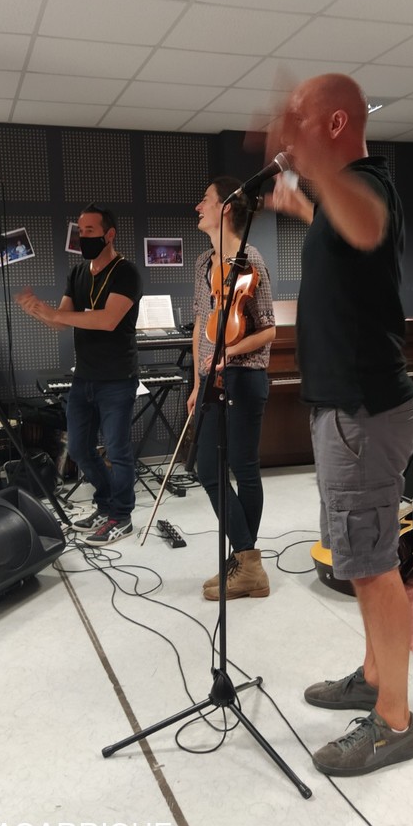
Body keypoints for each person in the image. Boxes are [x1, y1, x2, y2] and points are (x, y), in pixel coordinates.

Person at [268, 73, 413, 776]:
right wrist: (304, 204)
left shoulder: (367, 185)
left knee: (373, 567)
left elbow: (362, 224)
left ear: (335, 125)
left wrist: (317, 173)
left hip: (363, 412)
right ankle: (373, 674)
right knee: (359, 562)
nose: (292, 133)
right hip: (347, 410)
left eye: (303, 119)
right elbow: (346, 243)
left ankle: (394, 722)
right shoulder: (345, 196)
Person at [15, 205, 142, 545]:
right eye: (80, 231)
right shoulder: (78, 273)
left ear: (109, 234)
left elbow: (108, 320)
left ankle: (122, 516)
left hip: (117, 378)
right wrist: (37, 310)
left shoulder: (126, 272)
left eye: (89, 231)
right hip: (84, 377)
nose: (82, 237)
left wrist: (54, 313)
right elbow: (60, 320)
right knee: (80, 449)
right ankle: (105, 504)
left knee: (117, 451)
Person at [187, 176, 276, 600]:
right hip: (211, 378)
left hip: (244, 375)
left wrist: (231, 351)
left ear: (225, 208)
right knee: (207, 469)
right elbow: (199, 328)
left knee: (243, 468)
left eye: (205, 199)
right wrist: (196, 381)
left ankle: (244, 564)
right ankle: (247, 560)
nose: (198, 206)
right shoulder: (203, 263)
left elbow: (269, 330)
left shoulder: (251, 259)